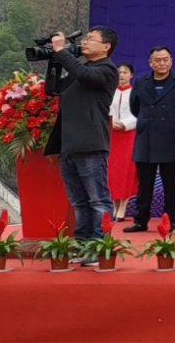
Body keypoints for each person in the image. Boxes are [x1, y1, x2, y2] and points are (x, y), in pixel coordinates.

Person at [44, 28, 119, 265]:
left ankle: (99, 247)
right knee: (78, 202)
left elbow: (84, 73)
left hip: (91, 144)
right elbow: (52, 89)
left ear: (106, 47)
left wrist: (62, 51)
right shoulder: (81, 71)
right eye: (84, 39)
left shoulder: (107, 69)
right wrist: (54, 61)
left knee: (98, 200)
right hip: (69, 145)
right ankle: (82, 245)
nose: (84, 42)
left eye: (90, 39)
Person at [124, 46, 175, 234]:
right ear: (150, 63)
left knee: (171, 184)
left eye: (165, 59)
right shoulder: (141, 81)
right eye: (157, 60)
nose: (162, 63)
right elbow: (135, 108)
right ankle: (140, 220)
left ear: (171, 61)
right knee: (144, 184)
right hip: (146, 139)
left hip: (171, 138)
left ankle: (172, 221)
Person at [108, 62, 137, 221]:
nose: (122, 75)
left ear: (131, 75)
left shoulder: (135, 93)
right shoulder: (109, 91)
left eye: (125, 72)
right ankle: (114, 204)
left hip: (129, 135)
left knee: (126, 171)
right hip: (111, 135)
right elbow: (104, 109)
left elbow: (139, 113)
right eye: (119, 72)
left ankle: (123, 206)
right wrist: (111, 122)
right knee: (112, 171)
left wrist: (125, 124)